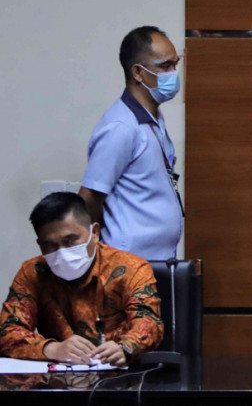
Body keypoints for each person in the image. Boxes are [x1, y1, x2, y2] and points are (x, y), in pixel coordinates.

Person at [0, 192, 164, 364]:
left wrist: (126, 347)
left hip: (119, 372)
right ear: (40, 244)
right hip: (58, 375)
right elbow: (7, 331)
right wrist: (52, 349)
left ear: (95, 233)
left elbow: (149, 323)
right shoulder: (32, 273)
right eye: (50, 245)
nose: (62, 252)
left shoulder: (131, 268)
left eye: (70, 241)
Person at [79, 26, 183, 260]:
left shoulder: (152, 118)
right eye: (165, 66)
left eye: (176, 64)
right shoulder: (120, 127)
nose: (174, 73)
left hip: (156, 260)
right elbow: (89, 199)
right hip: (126, 263)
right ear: (138, 72)